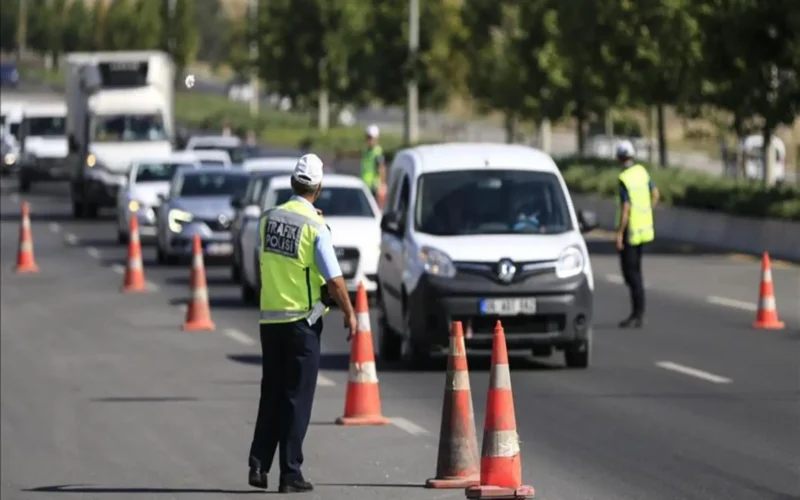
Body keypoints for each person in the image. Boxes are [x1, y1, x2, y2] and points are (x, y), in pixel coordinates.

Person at [248, 153, 357, 493]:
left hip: (270, 321)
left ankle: (258, 463)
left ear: (294, 183)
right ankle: (290, 472)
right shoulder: (315, 227)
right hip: (301, 324)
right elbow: (335, 280)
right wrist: (350, 313)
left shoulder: (268, 219)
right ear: (318, 188)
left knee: (272, 394)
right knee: (296, 398)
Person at [614, 140, 659, 328]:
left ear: (619, 157)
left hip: (631, 231)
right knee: (636, 272)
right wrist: (647, 210)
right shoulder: (641, 172)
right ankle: (637, 312)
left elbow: (626, 207)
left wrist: (619, 233)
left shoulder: (624, 178)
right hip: (644, 230)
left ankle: (638, 313)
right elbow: (656, 193)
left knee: (631, 274)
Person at [361, 124, 386, 199]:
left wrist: (382, 185)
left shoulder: (377, 152)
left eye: (370, 138)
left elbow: (381, 168)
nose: (369, 140)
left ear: (376, 139)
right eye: (367, 138)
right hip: (365, 184)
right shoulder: (365, 150)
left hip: (374, 187)